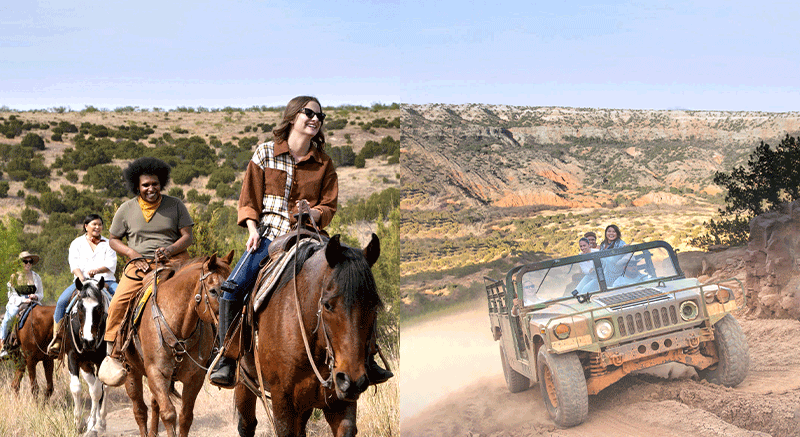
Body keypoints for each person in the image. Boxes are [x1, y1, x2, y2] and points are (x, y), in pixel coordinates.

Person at [209, 95, 392, 388]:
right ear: (293, 116)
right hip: (269, 235)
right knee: (231, 289)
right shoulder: (265, 153)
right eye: (309, 113)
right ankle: (227, 359)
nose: (315, 119)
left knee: (356, 284)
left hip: (310, 235)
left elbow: (329, 205)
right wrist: (252, 229)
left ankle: (368, 358)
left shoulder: (324, 163)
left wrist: (315, 213)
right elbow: (249, 199)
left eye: (320, 116)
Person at [97, 157, 194, 386]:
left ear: (162, 183)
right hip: (139, 265)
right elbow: (113, 240)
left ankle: (215, 349)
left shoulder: (176, 205)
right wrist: (132, 254)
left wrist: (170, 250)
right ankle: (113, 353)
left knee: (203, 293)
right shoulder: (126, 209)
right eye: (145, 185)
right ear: (137, 187)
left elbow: (187, 236)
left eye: (155, 184)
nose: (151, 188)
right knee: (118, 302)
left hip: (174, 263)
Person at [47, 214, 118, 355]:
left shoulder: (109, 243)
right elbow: (74, 265)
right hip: (83, 282)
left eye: (99, 224)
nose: (97, 227)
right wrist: (82, 279)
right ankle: (58, 339)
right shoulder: (76, 243)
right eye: (94, 224)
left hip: (106, 281)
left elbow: (111, 265)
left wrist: (97, 270)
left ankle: (123, 337)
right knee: (61, 302)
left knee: (122, 300)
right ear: (86, 227)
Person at [0, 252, 44, 358]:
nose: (28, 264)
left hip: (33, 302)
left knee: (43, 315)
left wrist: (35, 296)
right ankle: (2, 345)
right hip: (16, 303)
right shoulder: (14, 277)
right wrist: (23, 300)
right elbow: (11, 296)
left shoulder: (36, 276)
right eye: (25, 261)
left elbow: (41, 293)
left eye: (30, 261)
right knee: (8, 318)